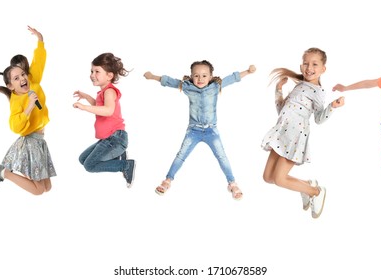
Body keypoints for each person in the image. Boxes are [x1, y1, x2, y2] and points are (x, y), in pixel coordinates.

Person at [144, 61, 256, 200]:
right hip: (193, 131)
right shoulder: (187, 87)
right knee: (181, 155)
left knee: (222, 156)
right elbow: (170, 81)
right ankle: (167, 180)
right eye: (196, 75)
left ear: (210, 76)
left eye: (204, 75)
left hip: (211, 131)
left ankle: (232, 183)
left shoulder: (216, 86)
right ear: (191, 76)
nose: (200, 79)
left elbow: (232, 78)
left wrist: (248, 71)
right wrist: (152, 76)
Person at [261, 47, 344, 219]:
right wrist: (278, 90)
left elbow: (319, 119)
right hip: (281, 133)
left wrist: (332, 107)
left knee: (280, 179)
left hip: (294, 137)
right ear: (301, 66)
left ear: (323, 69)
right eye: (306, 63)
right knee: (268, 177)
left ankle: (315, 191)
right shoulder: (299, 86)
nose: (309, 68)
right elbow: (281, 110)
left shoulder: (318, 92)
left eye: (314, 64)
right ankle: (307, 185)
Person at [0, 26, 56, 195]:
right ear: (10, 86)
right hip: (30, 143)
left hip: (40, 141)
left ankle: (8, 171)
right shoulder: (16, 100)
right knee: (39, 190)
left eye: (23, 75)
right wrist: (29, 107)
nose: (23, 79)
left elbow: (38, 62)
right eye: (16, 78)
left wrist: (40, 40)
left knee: (47, 187)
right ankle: (3, 173)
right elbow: (15, 126)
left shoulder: (33, 82)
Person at [73, 53, 136, 188]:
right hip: (108, 139)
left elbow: (108, 110)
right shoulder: (103, 92)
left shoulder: (109, 91)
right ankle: (119, 155)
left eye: (97, 71)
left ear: (109, 76)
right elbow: (99, 106)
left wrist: (84, 107)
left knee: (90, 165)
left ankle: (125, 165)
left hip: (115, 139)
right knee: (82, 159)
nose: (92, 75)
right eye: (91, 71)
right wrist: (86, 97)